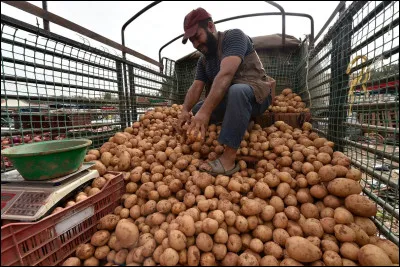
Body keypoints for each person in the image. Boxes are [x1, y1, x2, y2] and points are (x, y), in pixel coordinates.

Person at [177, 7, 276, 176]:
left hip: (256, 96)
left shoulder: (233, 37)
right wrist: (185, 110)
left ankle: (228, 161)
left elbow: (226, 75)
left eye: (197, 37)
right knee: (196, 111)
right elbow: (196, 87)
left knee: (237, 91)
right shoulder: (203, 61)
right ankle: (240, 124)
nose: (195, 44)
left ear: (210, 26)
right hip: (231, 99)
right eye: (191, 41)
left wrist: (206, 112)